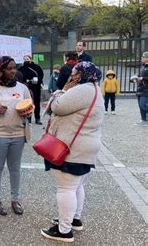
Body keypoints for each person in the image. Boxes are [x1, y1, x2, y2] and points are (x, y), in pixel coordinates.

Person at [40, 61, 104, 243]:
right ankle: (74, 219)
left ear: (82, 74)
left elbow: (57, 106)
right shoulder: (95, 90)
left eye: (75, 72)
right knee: (77, 186)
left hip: (72, 148)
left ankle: (64, 230)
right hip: (86, 147)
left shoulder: (82, 89)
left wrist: (63, 89)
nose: (71, 74)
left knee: (66, 188)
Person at [0, 56, 33, 216]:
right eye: (9, 68)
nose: (13, 71)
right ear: (0, 70)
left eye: (14, 67)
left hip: (18, 134)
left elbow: (30, 107)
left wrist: (28, 111)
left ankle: (15, 200)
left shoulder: (22, 88)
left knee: (15, 168)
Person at [18, 55, 44, 124]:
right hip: (26, 88)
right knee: (27, 103)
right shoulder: (21, 68)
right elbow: (18, 77)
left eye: (28, 58)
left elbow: (41, 75)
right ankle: (28, 118)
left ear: (31, 59)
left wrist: (37, 81)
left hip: (36, 87)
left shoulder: (37, 67)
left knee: (36, 103)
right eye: (25, 59)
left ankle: (37, 118)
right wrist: (24, 82)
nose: (26, 60)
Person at [134, 51, 148, 126]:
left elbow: (144, 78)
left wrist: (143, 78)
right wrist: (136, 78)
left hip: (146, 90)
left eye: (143, 57)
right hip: (141, 89)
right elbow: (140, 75)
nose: (142, 58)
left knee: (144, 105)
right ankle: (143, 120)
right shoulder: (143, 67)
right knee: (140, 105)